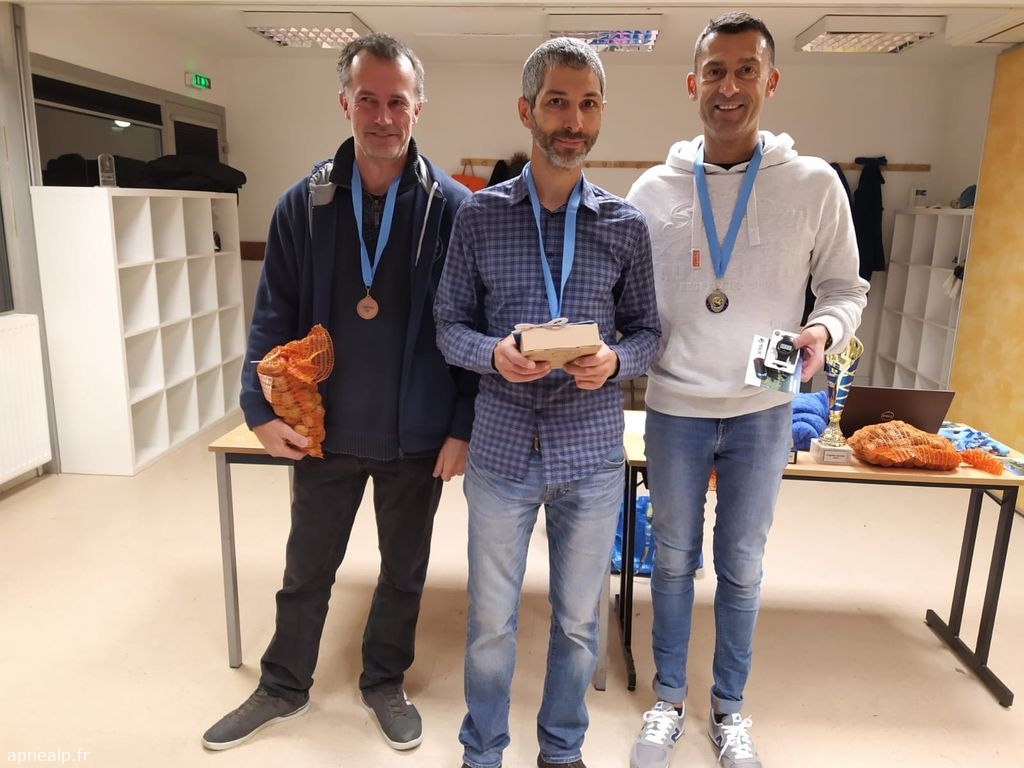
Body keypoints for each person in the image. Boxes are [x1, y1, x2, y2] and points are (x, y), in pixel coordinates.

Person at [201, 33, 475, 753]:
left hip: (416, 432)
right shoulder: (304, 204)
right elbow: (271, 316)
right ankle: (283, 685)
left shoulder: (452, 208)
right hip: (322, 429)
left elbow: (471, 324)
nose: (382, 117)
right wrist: (257, 409)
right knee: (306, 570)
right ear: (344, 103)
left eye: (397, 102)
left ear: (418, 108)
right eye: (367, 100)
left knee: (404, 571)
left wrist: (463, 424)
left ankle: (383, 681)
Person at [625, 12, 869, 768]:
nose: (728, 87)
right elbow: (630, 298)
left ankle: (729, 708)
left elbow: (845, 289)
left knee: (742, 565)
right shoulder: (653, 188)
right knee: (671, 560)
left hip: (763, 406)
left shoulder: (814, 183)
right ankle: (669, 699)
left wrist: (822, 331)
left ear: (771, 80)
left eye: (745, 70)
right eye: (715, 71)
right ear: (691, 82)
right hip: (675, 405)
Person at [435, 37, 661, 768]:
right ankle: (482, 752)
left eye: (588, 104)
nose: (574, 120)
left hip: (590, 458)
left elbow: (650, 333)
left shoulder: (625, 225)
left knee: (577, 625)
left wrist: (617, 361)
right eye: (558, 102)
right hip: (501, 453)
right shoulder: (479, 217)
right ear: (526, 109)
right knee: (490, 624)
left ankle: (561, 752)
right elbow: (448, 325)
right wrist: (492, 354)